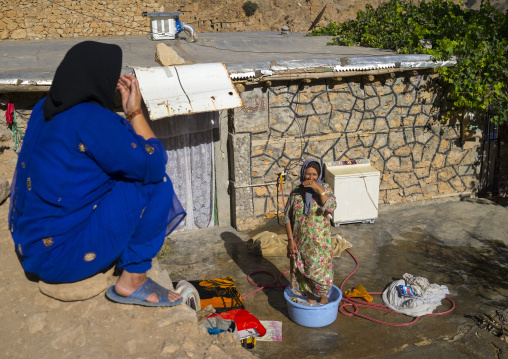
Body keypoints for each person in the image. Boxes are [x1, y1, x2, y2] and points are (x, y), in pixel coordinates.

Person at [8, 41, 186, 307]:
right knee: (156, 183)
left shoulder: (42, 107)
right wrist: (134, 112)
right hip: (59, 257)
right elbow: (154, 162)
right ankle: (133, 280)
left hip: (29, 244)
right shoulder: (93, 120)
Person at [284, 159, 337, 305]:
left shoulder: (324, 188)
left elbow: (331, 207)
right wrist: (290, 240)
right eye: (308, 174)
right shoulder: (296, 193)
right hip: (301, 243)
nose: (311, 178)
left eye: (314, 174)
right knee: (304, 272)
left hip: (321, 245)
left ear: (319, 175)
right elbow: (286, 217)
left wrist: (318, 189)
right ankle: (310, 299)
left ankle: (324, 300)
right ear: (303, 174)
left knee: (322, 275)